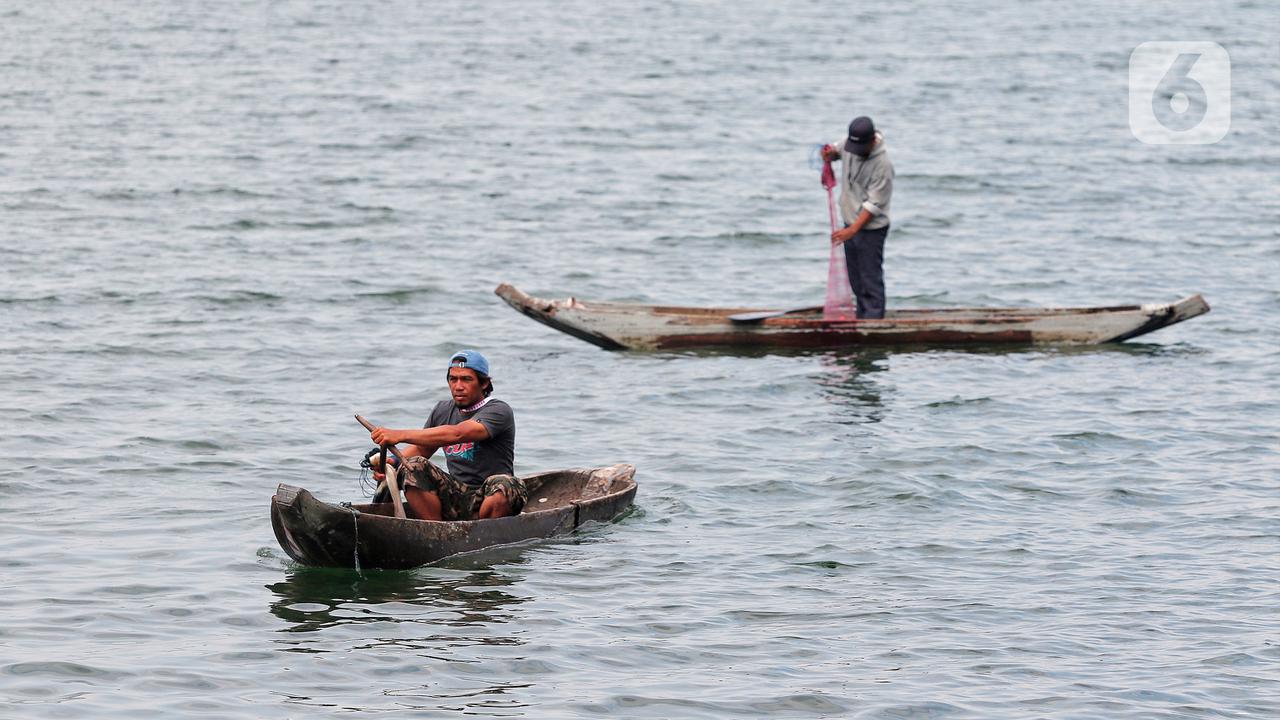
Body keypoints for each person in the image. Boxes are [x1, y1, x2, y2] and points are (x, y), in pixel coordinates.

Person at [368, 350, 526, 521]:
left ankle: (486, 529)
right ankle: (435, 531)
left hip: (490, 495)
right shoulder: (442, 410)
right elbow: (421, 448)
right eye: (453, 379)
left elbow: (458, 433)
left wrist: (399, 435)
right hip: (455, 496)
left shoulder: (499, 410)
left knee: (508, 484)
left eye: (466, 379)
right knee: (412, 466)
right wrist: (391, 463)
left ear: (484, 384)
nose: (458, 386)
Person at [821, 115, 894, 319]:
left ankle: (873, 323)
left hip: (871, 228)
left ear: (872, 141)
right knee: (856, 279)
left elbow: (874, 205)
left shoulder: (883, 165)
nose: (857, 153)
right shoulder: (851, 143)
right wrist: (828, 154)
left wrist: (852, 230)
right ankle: (863, 317)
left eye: (861, 149)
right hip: (850, 223)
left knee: (870, 278)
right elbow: (836, 151)